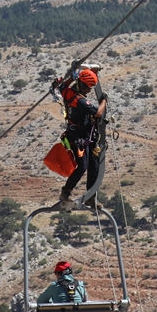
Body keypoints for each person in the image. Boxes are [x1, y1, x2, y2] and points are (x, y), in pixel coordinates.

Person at [58, 67, 107, 210]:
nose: (89, 91)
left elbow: (63, 86)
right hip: (79, 138)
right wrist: (104, 100)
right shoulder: (80, 101)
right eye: (88, 87)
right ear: (82, 85)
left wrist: (73, 77)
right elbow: (98, 113)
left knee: (94, 165)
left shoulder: (68, 92)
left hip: (84, 137)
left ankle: (91, 197)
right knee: (83, 166)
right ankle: (65, 192)